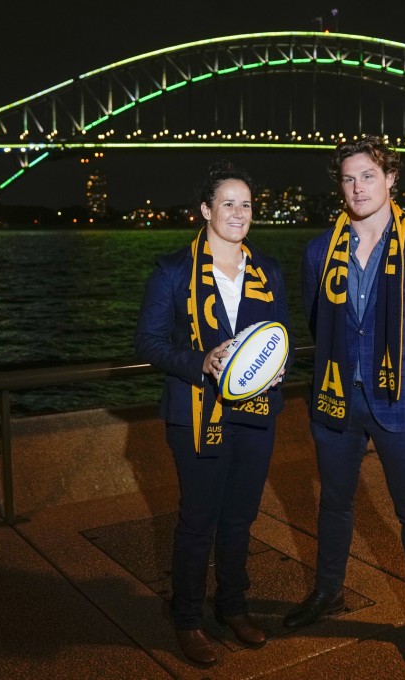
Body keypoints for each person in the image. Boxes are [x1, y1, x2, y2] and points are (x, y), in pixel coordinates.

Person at [284, 136, 405, 666]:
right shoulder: (320, 251)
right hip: (337, 397)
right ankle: (328, 591)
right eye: (348, 178)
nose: (357, 187)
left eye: (368, 175)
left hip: (398, 400)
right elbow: (319, 320)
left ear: (391, 180)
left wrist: (403, 370)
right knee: (334, 502)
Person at [133, 161, 292, 668]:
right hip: (197, 414)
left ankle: (233, 607)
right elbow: (149, 343)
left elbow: (280, 337)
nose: (238, 213)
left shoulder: (268, 271)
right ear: (205, 210)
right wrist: (199, 361)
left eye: (246, 204)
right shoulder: (173, 271)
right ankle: (187, 619)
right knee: (198, 521)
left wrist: (277, 368)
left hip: (256, 412)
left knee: (241, 519)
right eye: (227, 203)